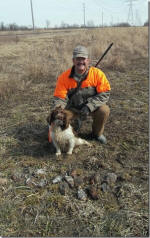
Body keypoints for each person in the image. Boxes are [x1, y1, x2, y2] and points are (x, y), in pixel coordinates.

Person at [51, 45, 111, 144]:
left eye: (83, 59)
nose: (81, 62)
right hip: (72, 108)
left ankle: (97, 134)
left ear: (88, 60)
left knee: (104, 110)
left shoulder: (97, 74)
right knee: (68, 132)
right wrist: (58, 112)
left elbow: (104, 93)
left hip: (91, 107)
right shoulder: (63, 77)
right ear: (73, 60)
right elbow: (59, 97)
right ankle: (72, 129)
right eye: (77, 59)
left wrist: (89, 107)